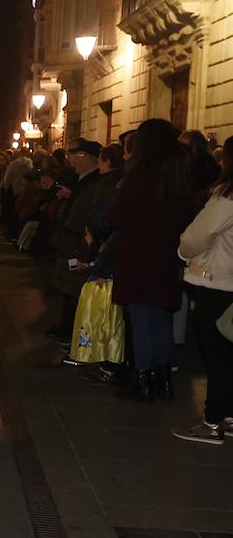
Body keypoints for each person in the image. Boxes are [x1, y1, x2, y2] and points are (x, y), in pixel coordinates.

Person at [109, 120, 198, 401]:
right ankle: (163, 379)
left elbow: (117, 216)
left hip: (139, 256)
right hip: (167, 258)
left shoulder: (141, 176)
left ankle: (143, 378)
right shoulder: (180, 177)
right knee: (160, 320)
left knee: (142, 321)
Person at [174, 135, 233, 443]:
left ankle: (212, 421)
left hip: (217, 281)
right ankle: (229, 414)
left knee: (217, 354)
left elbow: (198, 235)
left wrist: (184, 252)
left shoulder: (227, 198)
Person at [46, 140, 105, 348]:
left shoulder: (93, 182)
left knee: (75, 286)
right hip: (70, 236)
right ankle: (66, 324)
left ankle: (73, 330)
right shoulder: (79, 178)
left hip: (79, 238)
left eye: (76, 157)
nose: (72, 161)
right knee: (68, 286)